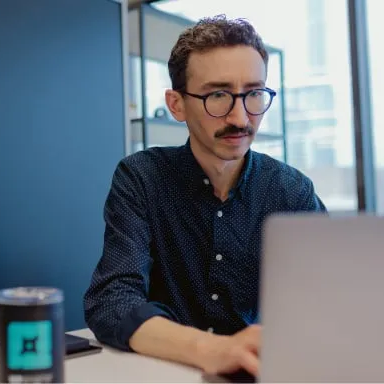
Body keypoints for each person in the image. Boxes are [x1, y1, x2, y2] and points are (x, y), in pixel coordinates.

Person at [83, 15, 327, 378]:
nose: (241, 117)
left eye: (254, 94)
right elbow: (112, 300)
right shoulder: (142, 178)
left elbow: (333, 297)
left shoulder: (290, 191)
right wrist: (212, 350)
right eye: (218, 95)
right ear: (176, 104)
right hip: (165, 371)